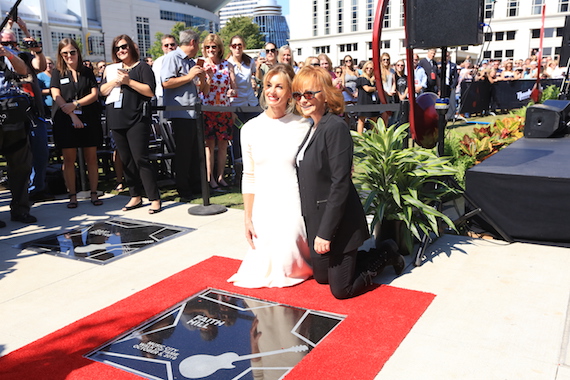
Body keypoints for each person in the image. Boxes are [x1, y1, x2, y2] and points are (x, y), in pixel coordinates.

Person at [292, 66, 404, 299]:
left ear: (325, 94)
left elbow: (340, 183)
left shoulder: (335, 127)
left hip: (340, 223)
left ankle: (386, 253)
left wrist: (325, 233)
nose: (303, 100)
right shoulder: (313, 127)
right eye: (298, 95)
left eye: (309, 94)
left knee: (341, 290)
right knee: (322, 277)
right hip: (317, 219)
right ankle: (358, 258)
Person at [228, 64, 312, 288]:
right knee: (260, 267)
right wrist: (247, 217)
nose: (272, 92)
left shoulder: (305, 126)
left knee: (288, 262)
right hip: (264, 203)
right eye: (268, 85)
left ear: (290, 92)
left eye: (279, 87)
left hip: (294, 201)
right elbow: (249, 176)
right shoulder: (250, 129)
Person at [100, 34, 160, 213]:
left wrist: (129, 81)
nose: (121, 50)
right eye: (117, 48)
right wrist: (115, 81)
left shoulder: (142, 67)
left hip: (136, 119)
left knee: (140, 158)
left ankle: (154, 198)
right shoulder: (112, 70)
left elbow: (150, 91)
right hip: (116, 119)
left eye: (124, 46)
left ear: (131, 47)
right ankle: (135, 196)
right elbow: (102, 91)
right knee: (125, 160)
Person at [2, 20, 52, 203]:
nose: (10, 47)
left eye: (13, 43)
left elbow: (40, 65)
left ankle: (37, 189)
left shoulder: (23, 56)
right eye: (6, 44)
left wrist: (25, 31)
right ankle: (23, 193)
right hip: (8, 116)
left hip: (32, 113)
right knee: (17, 160)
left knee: (40, 153)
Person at [50, 38, 103, 208]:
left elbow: (94, 94)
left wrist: (76, 104)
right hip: (65, 119)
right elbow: (56, 95)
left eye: (72, 52)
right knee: (68, 159)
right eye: (64, 53)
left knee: (91, 158)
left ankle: (94, 193)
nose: (69, 56)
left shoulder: (87, 71)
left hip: (88, 117)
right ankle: (72, 195)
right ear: (60, 55)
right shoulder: (57, 72)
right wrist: (72, 113)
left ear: (78, 52)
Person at [161, 29, 209, 200]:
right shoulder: (172, 57)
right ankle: (183, 189)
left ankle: (196, 185)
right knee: (184, 152)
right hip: (180, 113)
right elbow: (166, 82)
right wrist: (189, 76)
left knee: (196, 152)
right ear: (193, 43)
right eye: (199, 44)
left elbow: (200, 88)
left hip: (194, 112)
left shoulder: (190, 61)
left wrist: (202, 77)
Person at [0, 39, 36, 226]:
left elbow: (23, 71)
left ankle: (21, 209)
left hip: (13, 115)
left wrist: (7, 54)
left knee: (21, 165)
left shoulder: (5, 51)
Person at [200, 33, 237, 189]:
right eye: (207, 47)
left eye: (213, 47)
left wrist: (232, 92)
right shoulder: (202, 64)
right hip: (208, 108)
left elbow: (234, 88)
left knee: (223, 145)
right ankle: (210, 178)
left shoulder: (227, 65)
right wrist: (207, 77)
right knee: (209, 145)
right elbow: (204, 90)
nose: (210, 49)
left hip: (224, 108)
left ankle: (221, 176)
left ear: (220, 48)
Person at [227, 35, 259, 168]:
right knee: (238, 136)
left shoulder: (249, 61)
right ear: (230, 47)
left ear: (243, 46)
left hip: (251, 102)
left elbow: (255, 77)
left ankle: (255, 162)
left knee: (254, 134)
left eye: (239, 45)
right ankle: (239, 165)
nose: (237, 48)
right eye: (234, 45)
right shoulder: (227, 63)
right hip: (236, 105)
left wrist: (255, 79)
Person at [152, 34, 177, 108]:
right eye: (166, 45)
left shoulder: (183, 60)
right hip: (162, 97)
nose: (170, 47)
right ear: (162, 47)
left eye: (172, 44)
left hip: (180, 97)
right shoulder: (158, 62)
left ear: (176, 45)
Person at [355, 61, 378, 133]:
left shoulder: (373, 79)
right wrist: (375, 88)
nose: (369, 69)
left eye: (371, 68)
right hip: (363, 101)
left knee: (374, 120)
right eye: (367, 68)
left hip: (373, 101)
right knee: (361, 120)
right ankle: (360, 138)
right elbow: (367, 89)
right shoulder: (362, 78)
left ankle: (374, 137)